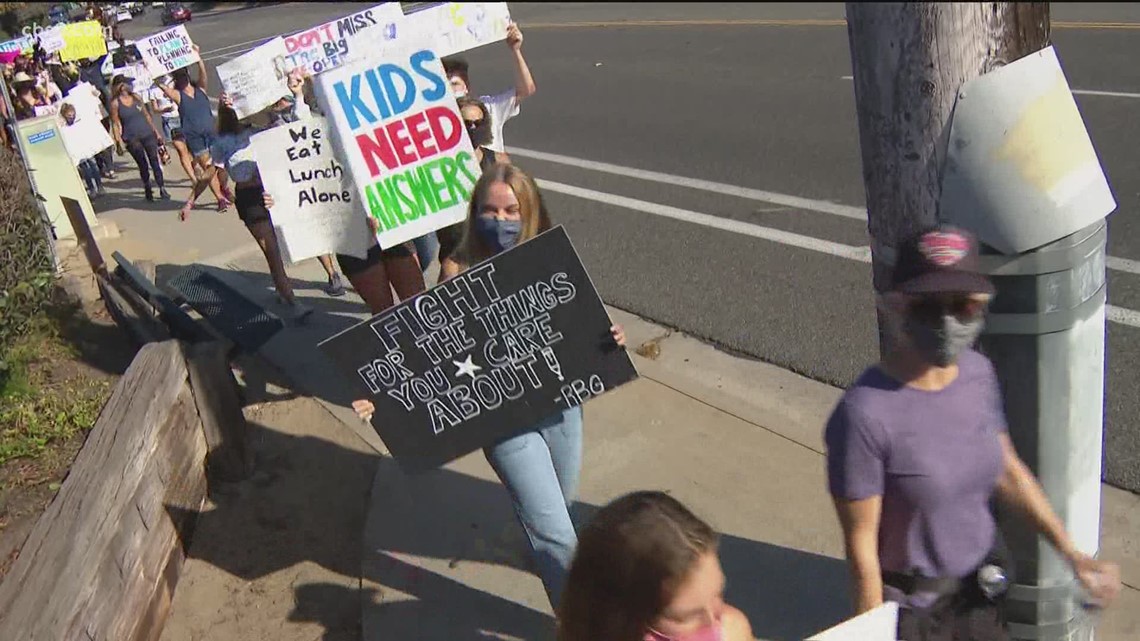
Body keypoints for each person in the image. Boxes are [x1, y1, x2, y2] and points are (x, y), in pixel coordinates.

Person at [824, 225, 1122, 640]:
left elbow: (1007, 469)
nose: (947, 322)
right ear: (898, 307)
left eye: (962, 305)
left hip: (982, 596)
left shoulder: (977, 374)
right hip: (917, 617)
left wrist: (1071, 553)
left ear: (980, 306)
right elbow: (862, 552)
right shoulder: (864, 414)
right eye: (928, 307)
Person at [352, 165, 626, 609]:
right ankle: (583, 624)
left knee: (559, 507)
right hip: (502, 421)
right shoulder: (457, 266)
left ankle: (546, 561)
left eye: (511, 210)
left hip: (561, 408)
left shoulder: (550, 256)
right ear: (474, 213)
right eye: (489, 210)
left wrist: (606, 336)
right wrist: (381, 396)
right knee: (555, 533)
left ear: (530, 210)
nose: (500, 220)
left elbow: (572, 320)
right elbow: (430, 350)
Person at [408, 22, 535, 274]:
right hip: (453, 203)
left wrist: (515, 50)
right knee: (445, 260)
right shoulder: (429, 121)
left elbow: (526, 89)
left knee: (494, 264)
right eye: (446, 83)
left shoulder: (489, 107)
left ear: (467, 84)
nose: (453, 88)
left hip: (489, 197)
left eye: (457, 82)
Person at [181, 92, 317, 320]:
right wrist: (189, 203)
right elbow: (208, 175)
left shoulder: (257, 132)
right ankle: (292, 301)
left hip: (272, 193)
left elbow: (293, 127)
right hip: (249, 199)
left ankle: (284, 291)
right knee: (271, 251)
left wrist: (297, 94)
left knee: (287, 244)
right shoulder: (222, 142)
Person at [558, 491, 754, 641]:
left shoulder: (731, 630)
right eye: (684, 617)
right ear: (622, 615)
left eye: (717, 595)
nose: (713, 621)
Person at [433, 96, 510, 280]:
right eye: (466, 124)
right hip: (455, 244)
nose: (473, 129)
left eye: (478, 123)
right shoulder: (438, 166)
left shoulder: (498, 161)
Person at [155, 46, 232, 212]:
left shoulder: (201, 89)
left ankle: (224, 188)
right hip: (195, 138)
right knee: (207, 168)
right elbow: (161, 86)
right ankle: (220, 199)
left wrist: (197, 56)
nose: (182, 77)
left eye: (184, 74)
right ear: (175, 78)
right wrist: (152, 69)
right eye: (179, 75)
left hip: (211, 133)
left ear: (188, 75)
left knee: (221, 166)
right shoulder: (177, 95)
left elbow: (203, 74)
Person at [109, 75, 170, 202]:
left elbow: (147, 115)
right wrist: (118, 142)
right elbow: (115, 123)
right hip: (131, 138)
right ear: (121, 86)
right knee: (142, 164)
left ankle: (162, 187)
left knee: (154, 161)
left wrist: (156, 132)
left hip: (147, 133)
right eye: (127, 83)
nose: (130, 85)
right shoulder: (115, 103)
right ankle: (147, 187)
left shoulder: (136, 98)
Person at [151, 75, 197, 184]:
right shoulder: (153, 88)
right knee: (181, 150)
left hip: (182, 117)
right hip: (169, 122)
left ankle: (195, 167)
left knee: (193, 149)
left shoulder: (174, 80)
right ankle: (193, 179)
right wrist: (165, 109)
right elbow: (155, 109)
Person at [58, 102, 106, 198]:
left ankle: (100, 186)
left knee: (94, 166)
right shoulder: (63, 128)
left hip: (86, 149)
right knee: (86, 170)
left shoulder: (79, 123)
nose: (71, 117)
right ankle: (92, 189)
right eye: (69, 115)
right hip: (78, 152)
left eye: (73, 115)